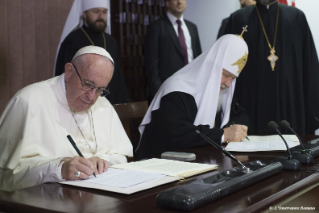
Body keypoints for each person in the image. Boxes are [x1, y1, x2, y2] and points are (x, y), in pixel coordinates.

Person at [0, 46, 133, 191]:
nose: (92, 97)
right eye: (88, 84)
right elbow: (5, 176)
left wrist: (102, 161)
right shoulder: (28, 101)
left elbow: (122, 156)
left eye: (100, 89)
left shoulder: (103, 105)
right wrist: (59, 169)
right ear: (69, 72)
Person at [135, 33, 250, 160]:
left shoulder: (220, 90)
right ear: (212, 65)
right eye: (225, 74)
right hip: (161, 165)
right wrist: (223, 135)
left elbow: (240, 116)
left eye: (233, 79)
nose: (228, 84)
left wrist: (235, 129)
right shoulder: (176, 90)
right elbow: (178, 135)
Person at [223, 0, 319, 134]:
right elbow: (225, 66)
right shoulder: (238, 19)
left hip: (290, 102)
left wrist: (312, 111)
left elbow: (310, 67)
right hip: (251, 103)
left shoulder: (296, 17)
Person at [55, 0, 128, 104]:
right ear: (84, 14)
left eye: (104, 12)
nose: (100, 16)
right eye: (96, 11)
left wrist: (124, 102)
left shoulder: (111, 41)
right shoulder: (72, 41)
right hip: (83, 102)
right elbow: (64, 77)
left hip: (111, 104)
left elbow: (118, 77)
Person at [144, 0, 202, 99]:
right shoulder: (156, 27)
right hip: (168, 89)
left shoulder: (192, 27)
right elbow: (151, 63)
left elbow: (199, 58)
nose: (179, 2)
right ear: (167, 3)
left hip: (192, 87)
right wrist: (159, 92)